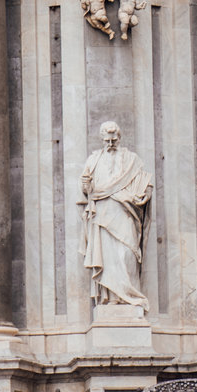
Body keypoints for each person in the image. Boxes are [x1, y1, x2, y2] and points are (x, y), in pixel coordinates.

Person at [79, 120, 153, 309]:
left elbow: (143, 180)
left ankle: (129, 296)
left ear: (119, 138)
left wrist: (148, 190)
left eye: (113, 140)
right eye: (107, 141)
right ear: (102, 140)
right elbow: (87, 189)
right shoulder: (93, 160)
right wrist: (86, 186)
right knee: (108, 258)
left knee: (128, 254)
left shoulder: (132, 159)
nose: (110, 144)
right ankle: (112, 298)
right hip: (103, 213)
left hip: (126, 211)